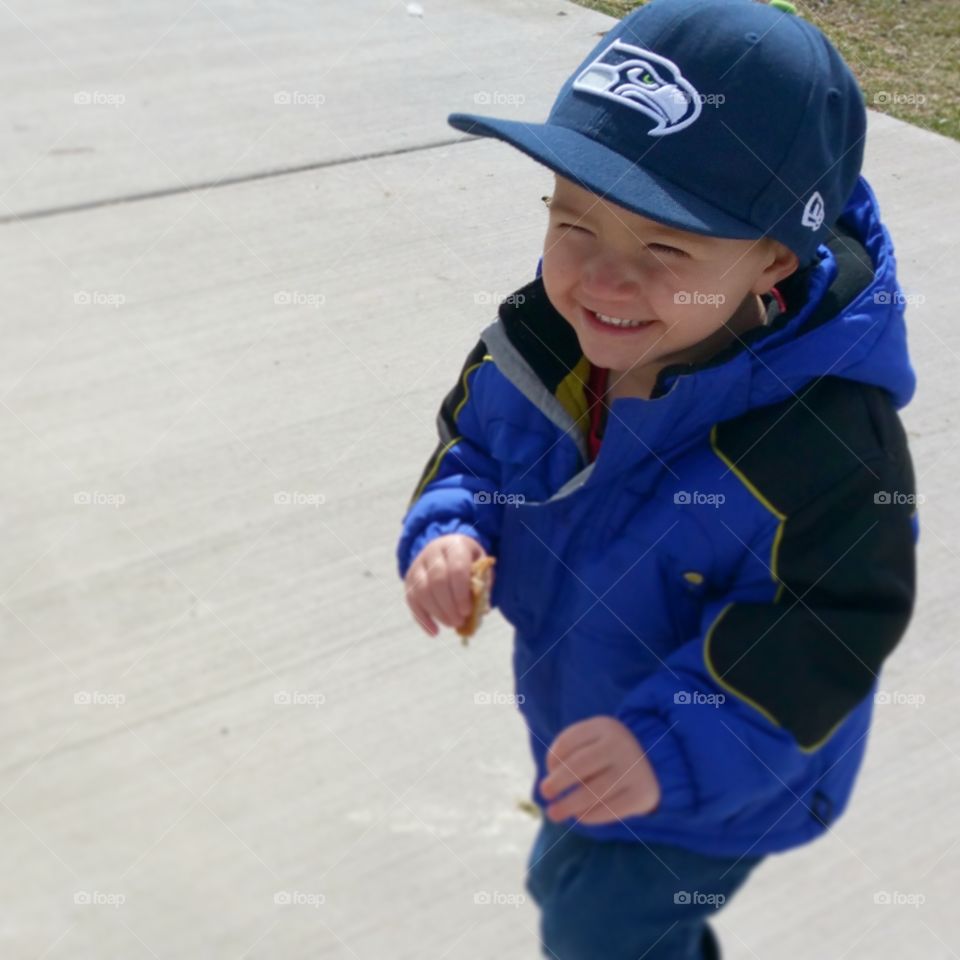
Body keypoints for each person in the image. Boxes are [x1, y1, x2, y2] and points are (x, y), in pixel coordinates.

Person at [396, 0, 920, 956]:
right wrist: (451, 530)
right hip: (584, 706)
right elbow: (471, 451)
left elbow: (834, 618)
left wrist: (668, 748)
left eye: (666, 248)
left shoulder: (823, 443)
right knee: (574, 880)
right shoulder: (535, 348)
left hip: (734, 762)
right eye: (574, 219)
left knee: (598, 923)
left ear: (772, 258)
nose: (602, 279)